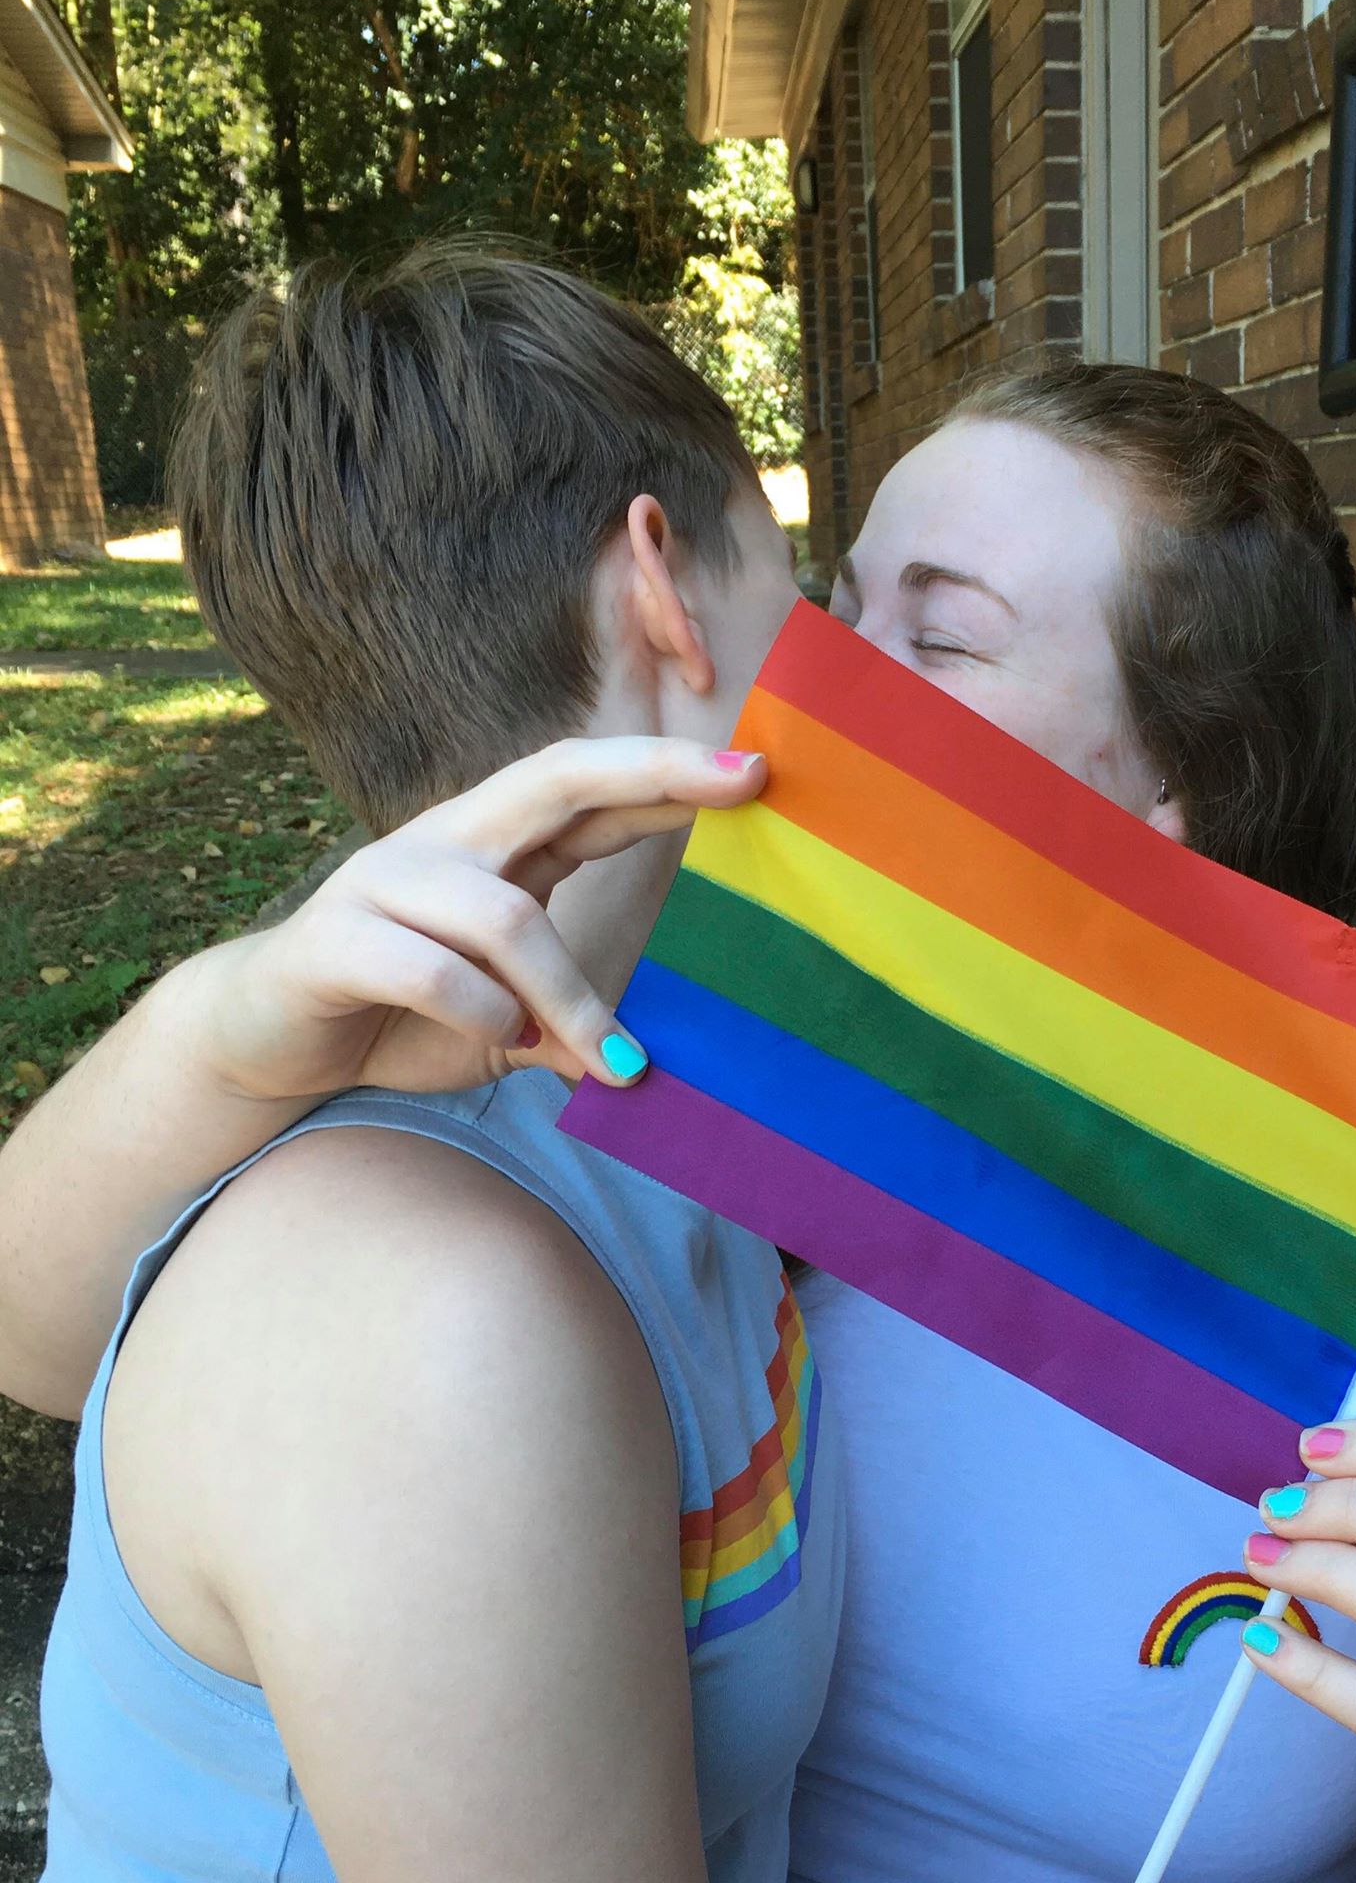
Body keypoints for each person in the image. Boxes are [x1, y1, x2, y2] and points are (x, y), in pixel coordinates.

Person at [0, 266, 1356, 1878]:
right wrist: (221, 1016)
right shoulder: (663, 1099)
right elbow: (77, 1327)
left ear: (1179, 806)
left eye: (934, 641)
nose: (835, 690)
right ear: (672, 599)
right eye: (835, 600)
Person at [8, 250, 842, 1882]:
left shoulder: (695, 1039)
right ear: (659, 588)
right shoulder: (423, 1329)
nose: (847, 645)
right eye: (810, 582)